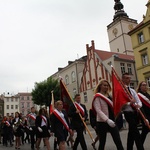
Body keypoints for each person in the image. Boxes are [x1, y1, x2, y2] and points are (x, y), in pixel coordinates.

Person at [92, 79, 124, 150]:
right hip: (102, 122)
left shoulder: (109, 96)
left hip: (112, 121)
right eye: (104, 85)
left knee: (118, 140)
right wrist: (107, 120)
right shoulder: (97, 97)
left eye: (107, 85)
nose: (106, 87)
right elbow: (99, 111)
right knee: (102, 143)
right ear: (100, 86)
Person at [121, 73, 144, 150]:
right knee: (136, 132)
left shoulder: (132, 91)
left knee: (131, 133)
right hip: (127, 113)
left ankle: (129, 148)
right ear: (123, 79)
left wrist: (138, 105)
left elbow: (139, 101)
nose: (129, 79)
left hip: (135, 113)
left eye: (129, 78)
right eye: (127, 78)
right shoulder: (121, 91)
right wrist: (129, 103)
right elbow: (120, 104)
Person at [137, 81, 150, 146]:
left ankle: (140, 144)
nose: (145, 86)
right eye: (143, 85)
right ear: (140, 87)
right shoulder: (139, 95)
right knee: (145, 131)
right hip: (145, 116)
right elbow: (140, 108)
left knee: (145, 131)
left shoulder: (148, 95)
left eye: (145, 85)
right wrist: (145, 118)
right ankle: (140, 144)